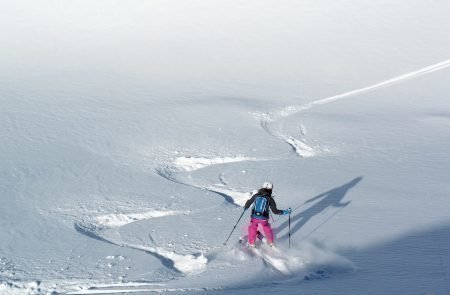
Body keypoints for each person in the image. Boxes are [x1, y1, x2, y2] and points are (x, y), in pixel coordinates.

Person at [244, 182, 291, 247]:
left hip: (254, 217)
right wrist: (286, 212)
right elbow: (275, 211)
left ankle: (251, 243)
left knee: (252, 227)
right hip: (264, 218)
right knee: (266, 227)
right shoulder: (270, 198)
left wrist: (245, 207)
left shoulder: (256, 195)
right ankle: (271, 242)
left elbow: (248, 203)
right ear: (271, 189)